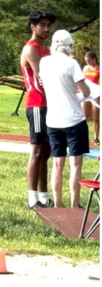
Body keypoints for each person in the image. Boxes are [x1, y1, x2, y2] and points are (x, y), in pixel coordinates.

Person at [38, 30, 90, 209]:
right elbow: (86, 92)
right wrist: (79, 91)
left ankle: (58, 204)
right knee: (75, 164)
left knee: (57, 164)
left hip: (53, 120)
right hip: (74, 119)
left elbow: (43, 81)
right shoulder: (71, 63)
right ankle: (75, 204)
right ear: (69, 45)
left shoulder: (44, 62)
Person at [20, 10, 55, 209]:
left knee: (46, 151)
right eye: (42, 25)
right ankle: (32, 198)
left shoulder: (47, 50)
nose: (47, 29)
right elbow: (42, 78)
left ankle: (43, 196)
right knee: (37, 150)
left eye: (49, 25)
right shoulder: (31, 49)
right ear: (33, 27)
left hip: (49, 105)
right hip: (37, 104)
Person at [81, 51, 99, 145]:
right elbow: (81, 80)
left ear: (94, 59)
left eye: (89, 61)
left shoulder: (99, 69)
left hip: (96, 95)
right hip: (86, 94)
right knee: (83, 117)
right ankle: (83, 138)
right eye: (86, 61)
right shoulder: (85, 68)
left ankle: (96, 138)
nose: (87, 63)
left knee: (96, 118)